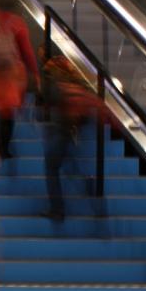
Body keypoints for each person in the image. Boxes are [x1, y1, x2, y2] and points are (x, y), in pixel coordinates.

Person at [41, 53, 110, 222]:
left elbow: (48, 107)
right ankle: (95, 196)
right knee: (74, 166)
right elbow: (98, 109)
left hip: (61, 132)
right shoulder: (80, 88)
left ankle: (57, 210)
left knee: (51, 168)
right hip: (74, 133)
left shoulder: (59, 87)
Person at [0, 0, 39, 160]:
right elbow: (26, 51)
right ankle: (4, 148)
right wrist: (35, 72)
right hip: (9, 74)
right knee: (7, 112)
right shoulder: (18, 23)